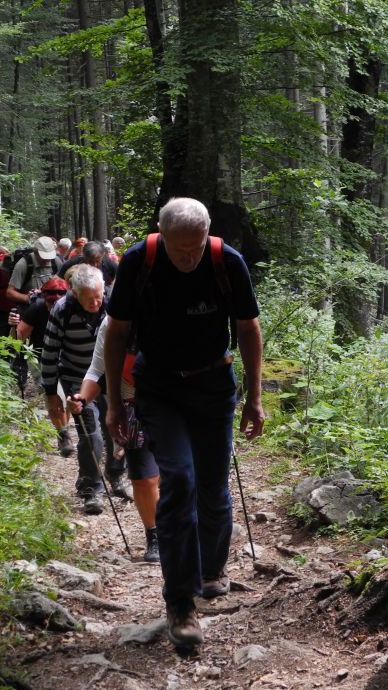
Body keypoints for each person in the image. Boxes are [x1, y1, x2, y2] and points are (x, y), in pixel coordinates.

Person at [104, 197, 264, 649]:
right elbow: (116, 331)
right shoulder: (140, 261)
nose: (188, 257)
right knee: (178, 480)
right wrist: (115, 403)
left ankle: (212, 571)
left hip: (213, 385)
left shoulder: (225, 262)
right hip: (159, 388)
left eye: (195, 248)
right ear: (162, 236)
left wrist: (254, 398)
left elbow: (249, 329)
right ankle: (180, 603)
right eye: (180, 250)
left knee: (213, 488)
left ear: (207, 236)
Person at [67, 315, 161, 562]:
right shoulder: (113, 323)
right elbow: (98, 369)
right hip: (131, 405)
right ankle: (155, 535)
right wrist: (82, 398)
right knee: (143, 476)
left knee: (177, 471)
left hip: (175, 403)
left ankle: (181, 528)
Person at [42, 265, 130, 514]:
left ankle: (116, 475)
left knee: (117, 427)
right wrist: (51, 394)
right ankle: (91, 487)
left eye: (99, 295)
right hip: (75, 377)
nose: (95, 302)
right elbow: (49, 353)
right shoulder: (62, 310)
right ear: (74, 292)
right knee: (92, 433)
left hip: (110, 376)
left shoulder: (114, 303)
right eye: (88, 297)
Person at [11, 277, 75, 458]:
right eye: (49, 301)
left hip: (68, 359)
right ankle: (63, 434)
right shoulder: (37, 308)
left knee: (68, 398)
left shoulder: (72, 308)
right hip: (41, 359)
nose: (53, 304)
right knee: (52, 396)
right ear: (44, 298)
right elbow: (19, 336)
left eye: (57, 299)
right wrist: (13, 326)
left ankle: (63, 431)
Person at [4, 236, 62, 309]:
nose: (47, 260)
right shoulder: (23, 264)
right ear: (35, 252)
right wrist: (27, 298)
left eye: (49, 257)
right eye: (44, 257)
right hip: (31, 310)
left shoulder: (56, 261)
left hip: (53, 308)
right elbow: (10, 292)